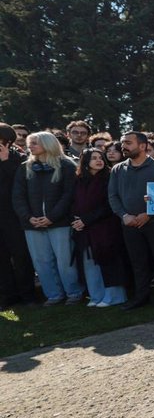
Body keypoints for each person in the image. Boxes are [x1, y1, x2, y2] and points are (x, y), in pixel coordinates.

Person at [12, 131, 84, 305]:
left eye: (35, 142)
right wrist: (28, 217)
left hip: (60, 223)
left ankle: (73, 293)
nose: (30, 146)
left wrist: (52, 217)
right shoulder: (24, 167)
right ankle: (53, 295)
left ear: (48, 143)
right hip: (33, 225)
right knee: (41, 261)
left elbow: (69, 195)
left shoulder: (66, 165)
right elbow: (18, 196)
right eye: (30, 143)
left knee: (65, 260)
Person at [108, 131, 154, 311]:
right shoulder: (117, 169)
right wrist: (124, 215)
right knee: (138, 262)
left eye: (128, 143)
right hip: (129, 224)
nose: (124, 146)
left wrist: (148, 214)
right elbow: (113, 196)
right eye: (123, 143)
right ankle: (141, 297)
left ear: (143, 146)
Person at [70, 147, 127, 307]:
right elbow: (73, 201)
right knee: (90, 263)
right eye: (94, 158)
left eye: (101, 157)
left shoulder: (109, 177)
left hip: (106, 227)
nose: (99, 160)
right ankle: (97, 296)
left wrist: (86, 220)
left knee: (108, 261)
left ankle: (114, 297)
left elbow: (109, 205)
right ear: (86, 161)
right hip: (85, 229)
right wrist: (76, 219)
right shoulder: (79, 179)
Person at [0, 123, 37, 308]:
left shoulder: (19, 158)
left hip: (14, 217)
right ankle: (8, 295)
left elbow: (20, 184)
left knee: (21, 257)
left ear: (6, 141)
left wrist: (5, 160)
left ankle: (28, 295)